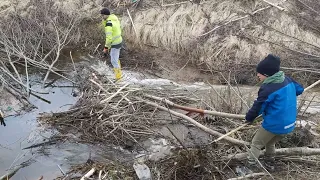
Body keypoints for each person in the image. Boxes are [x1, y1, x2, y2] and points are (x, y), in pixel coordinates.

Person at [245, 54, 304, 171]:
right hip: (289, 125)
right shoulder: (288, 80)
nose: (257, 75)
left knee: (256, 143)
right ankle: (270, 162)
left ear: (267, 74)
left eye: (259, 73)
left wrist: (249, 118)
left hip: (274, 124)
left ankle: (250, 168)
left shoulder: (268, 88)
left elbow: (258, 107)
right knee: (270, 142)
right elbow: (300, 89)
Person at [100, 8, 123, 81]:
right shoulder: (114, 18)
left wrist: (106, 48)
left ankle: (118, 78)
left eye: (102, 15)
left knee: (113, 61)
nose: (102, 17)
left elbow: (109, 38)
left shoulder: (109, 24)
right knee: (115, 58)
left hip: (115, 43)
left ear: (105, 15)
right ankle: (119, 72)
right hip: (119, 40)